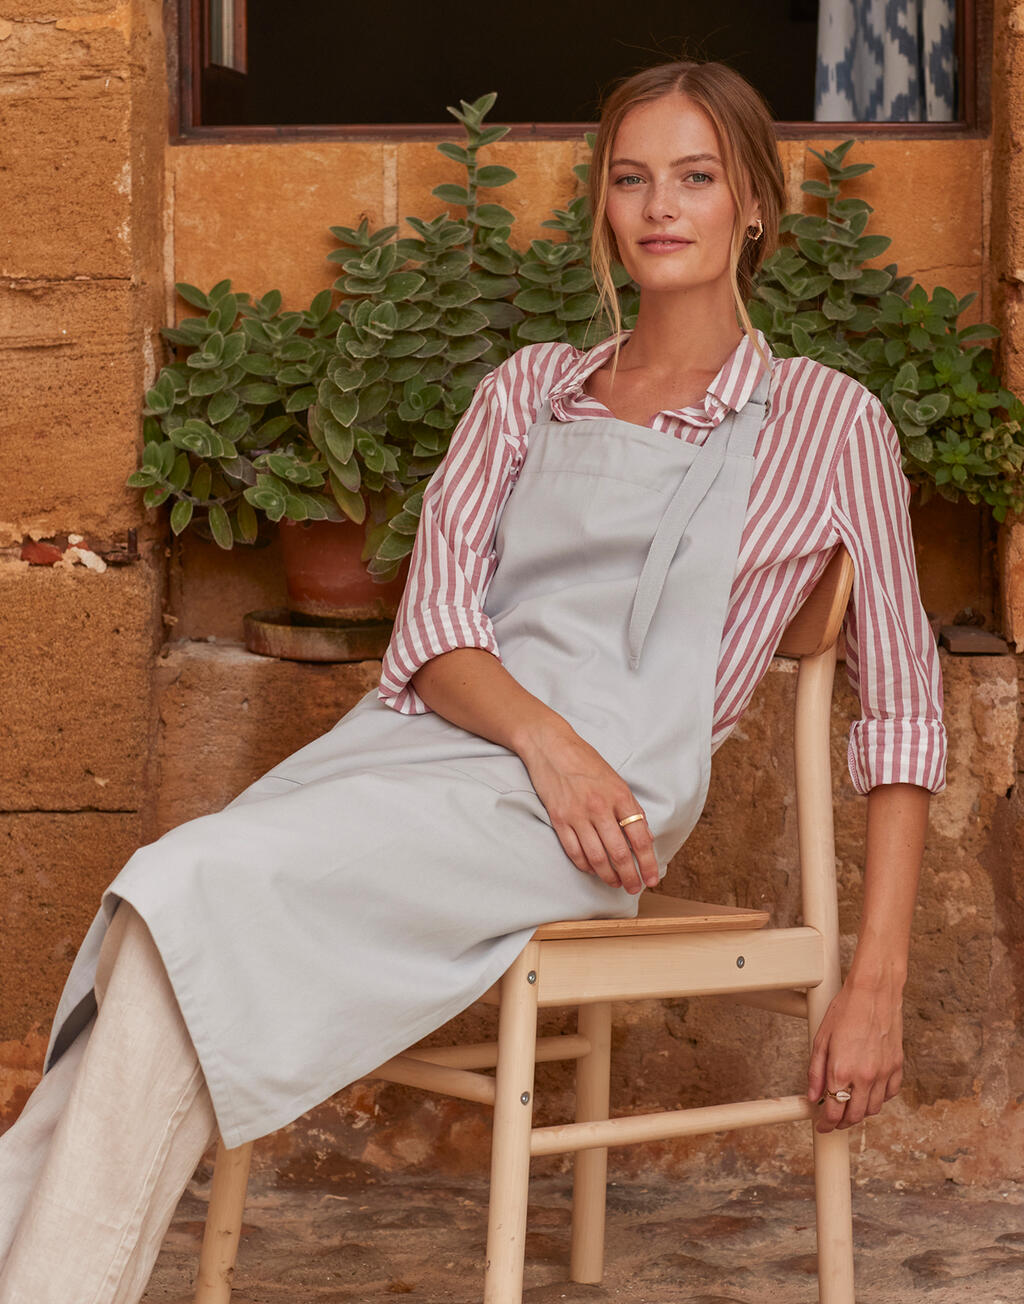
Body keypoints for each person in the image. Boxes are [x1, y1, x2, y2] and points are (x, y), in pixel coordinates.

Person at [0, 57, 945, 1302]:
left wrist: (875, 982)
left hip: (608, 811)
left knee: (189, 885)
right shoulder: (526, 391)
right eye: (631, 179)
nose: (661, 206)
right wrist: (547, 743)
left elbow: (902, 706)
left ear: (755, 204)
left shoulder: (832, 423)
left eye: (696, 177)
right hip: (448, 749)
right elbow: (438, 630)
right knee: (164, 904)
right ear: (602, 203)